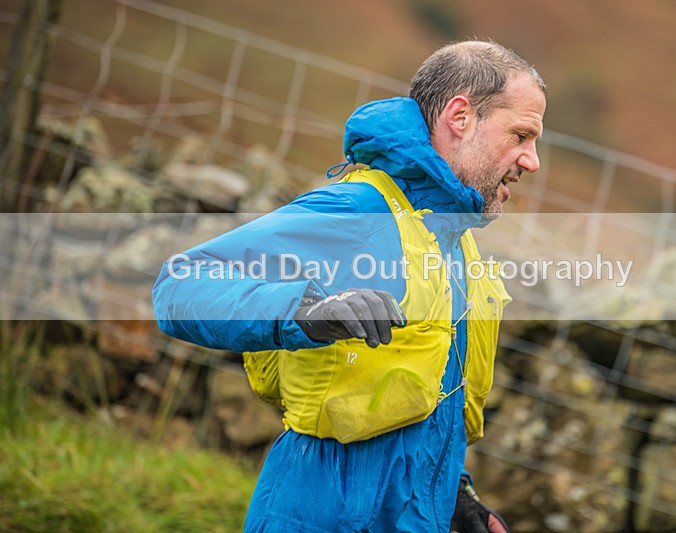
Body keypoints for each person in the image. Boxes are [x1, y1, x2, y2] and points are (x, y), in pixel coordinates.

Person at [152, 39, 546, 532]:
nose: (531, 161)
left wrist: (455, 494)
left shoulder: (452, 238)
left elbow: (424, 394)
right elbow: (179, 285)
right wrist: (306, 313)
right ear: (460, 117)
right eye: (521, 136)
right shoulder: (359, 212)